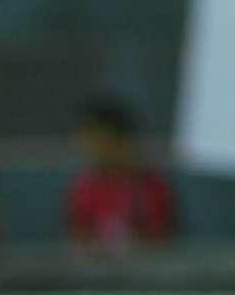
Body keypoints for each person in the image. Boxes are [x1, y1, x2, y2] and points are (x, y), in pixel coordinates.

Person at [66, 97, 175, 253]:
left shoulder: (151, 186)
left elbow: (161, 242)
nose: (85, 144)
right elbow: (77, 239)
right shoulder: (85, 187)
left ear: (116, 137)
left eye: (93, 135)